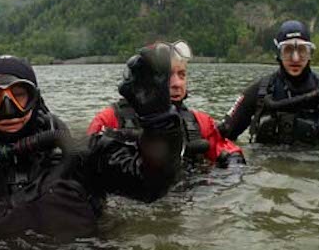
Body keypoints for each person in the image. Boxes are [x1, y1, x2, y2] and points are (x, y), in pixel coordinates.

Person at [0, 50, 183, 238]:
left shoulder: (83, 155)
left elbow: (152, 184)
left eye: (19, 95)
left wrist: (158, 121)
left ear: (35, 98)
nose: (8, 110)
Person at [217, 20, 319, 147]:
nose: (295, 58)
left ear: (310, 53)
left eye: (302, 50)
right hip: (267, 169)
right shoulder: (260, 91)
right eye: (287, 50)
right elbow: (224, 134)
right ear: (278, 54)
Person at [88, 40, 244, 168]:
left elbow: (229, 151)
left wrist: (233, 167)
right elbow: (87, 163)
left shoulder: (200, 122)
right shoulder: (110, 119)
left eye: (181, 75)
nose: (177, 84)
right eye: (168, 75)